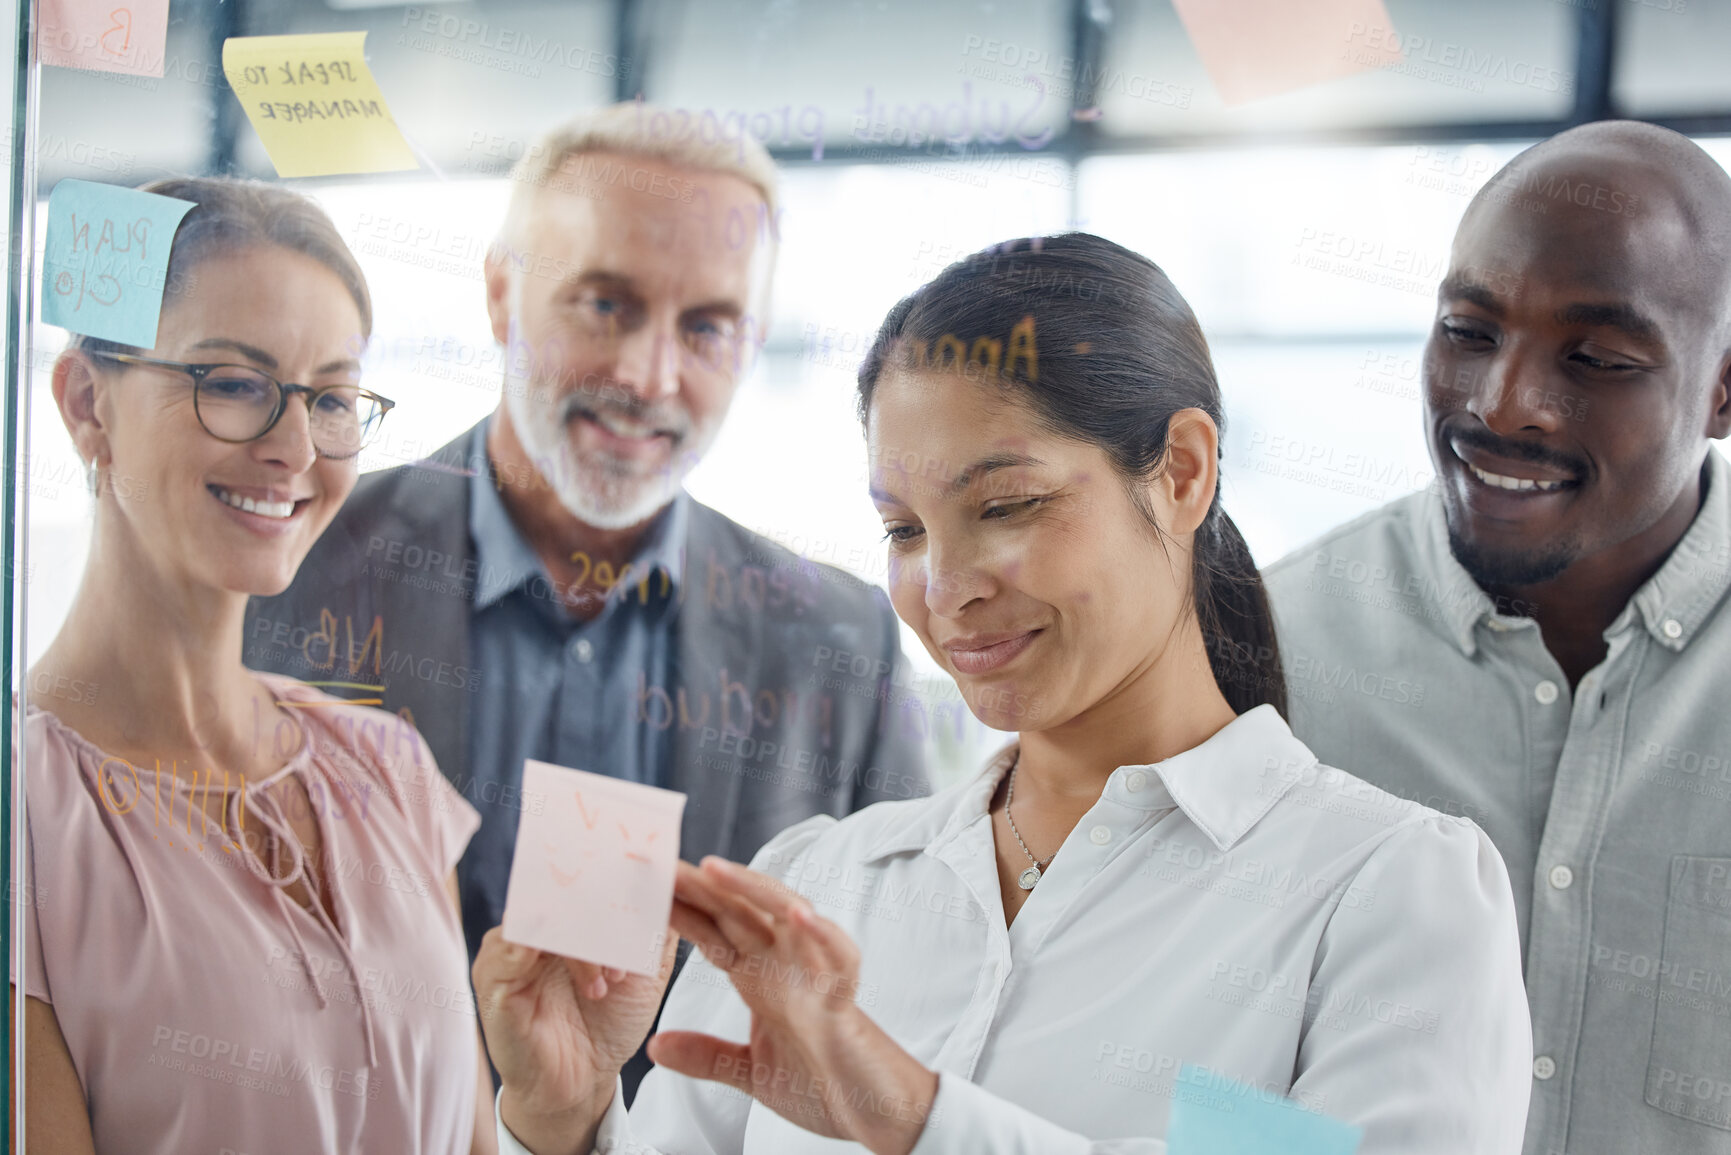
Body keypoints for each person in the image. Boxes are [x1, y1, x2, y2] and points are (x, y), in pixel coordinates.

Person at [471, 233, 1533, 1155]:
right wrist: (559, 1118)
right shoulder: (818, 886)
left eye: (1007, 505)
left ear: (1183, 472)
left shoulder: (1384, 894)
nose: (944, 588)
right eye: (903, 530)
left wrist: (911, 1116)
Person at [244, 107, 931, 1102]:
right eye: (604, 305)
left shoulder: (839, 640)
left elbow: (896, 1006)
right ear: (499, 293)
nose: (648, 376)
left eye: (706, 327)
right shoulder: (293, 569)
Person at [1264, 120, 1731, 1154]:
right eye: (1470, 333)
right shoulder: (1266, 653)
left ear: (1724, 388)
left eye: (1599, 357)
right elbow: (1179, 1045)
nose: (1505, 404)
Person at [15, 178, 493, 1152]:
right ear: (85, 404)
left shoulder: (387, 772)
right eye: (233, 383)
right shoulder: (25, 819)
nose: (292, 447)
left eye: (329, 397)